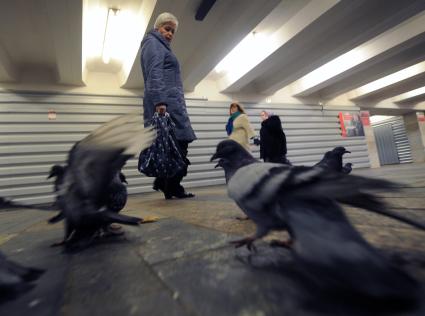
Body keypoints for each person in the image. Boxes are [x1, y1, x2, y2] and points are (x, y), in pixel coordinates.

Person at [140, 12, 196, 199]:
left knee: (175, 146)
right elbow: (153, 73)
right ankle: (170, 185)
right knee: (179, 144)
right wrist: (160, 102)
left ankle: (167, 184)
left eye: (173, 31)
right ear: (157, 28)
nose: (170, 33)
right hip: (166, 105)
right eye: (167, 29)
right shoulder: (153, 43)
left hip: (172, 103)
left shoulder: (161, 46)